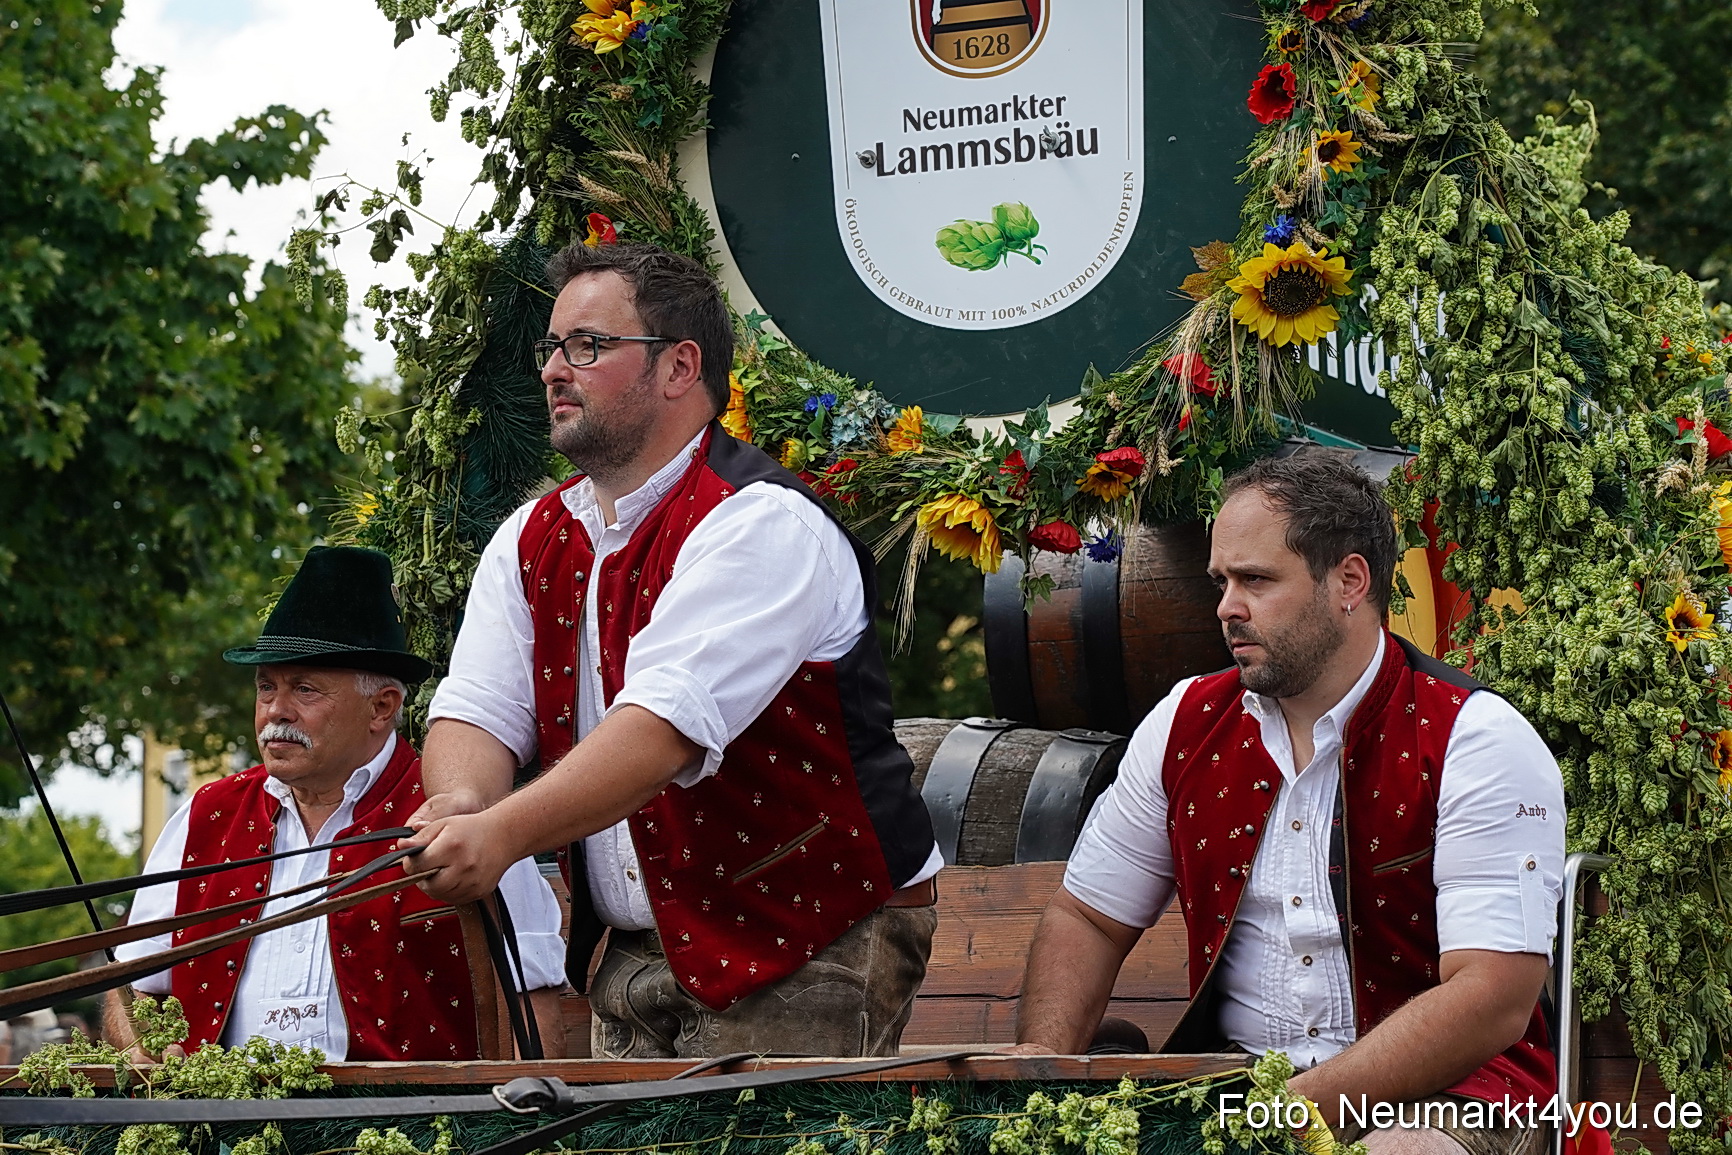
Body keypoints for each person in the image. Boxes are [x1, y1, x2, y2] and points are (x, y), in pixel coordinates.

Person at [405, 242, 942, 1059]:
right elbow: (476, 710)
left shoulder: (765, 523)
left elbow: (660, 728)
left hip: (807, 939)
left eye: (587, 345)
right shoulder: (527, 538)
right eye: (552, 347)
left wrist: (502, 836)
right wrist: (461, 808)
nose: (555, 368)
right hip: (629, 954)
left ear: (679, 366)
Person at [1015, 453, 1564, 1155]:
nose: (1225, 607)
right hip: (1236, 1092)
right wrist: (1039, 1088)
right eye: (1221, 581)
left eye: (1256, 580)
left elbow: (1493, 997)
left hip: (1454, 1096)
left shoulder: (1475, 738)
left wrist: (1283, 1115)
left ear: (1349, 581)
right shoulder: (1186, 722)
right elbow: (1087, 915)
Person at [107, 546, 567, 1061]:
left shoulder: (463, 813)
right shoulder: (206, 815)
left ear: (381, 707)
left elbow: (532, 1001)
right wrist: (144, 1049)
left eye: (305, 689)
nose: (276, 712)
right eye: (265, 688)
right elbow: (135, 982)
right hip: (221, 1129)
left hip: (413, 1130)